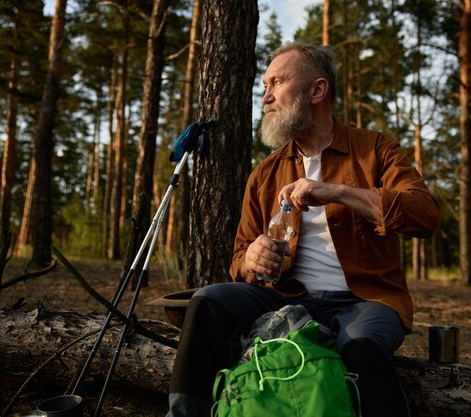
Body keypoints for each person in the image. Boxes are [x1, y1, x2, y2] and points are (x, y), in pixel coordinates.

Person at [167, 41, 441, 417]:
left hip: (367, 302)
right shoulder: (264, 173)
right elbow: (238, 263)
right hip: (285, 297)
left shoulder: (375, 150)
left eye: (276, 83)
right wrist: (252, 258)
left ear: (316, 90)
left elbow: (426, 215)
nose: (266, 97)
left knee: (358, 347)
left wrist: (337, 192)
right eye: (263, 87)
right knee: (209, 302)